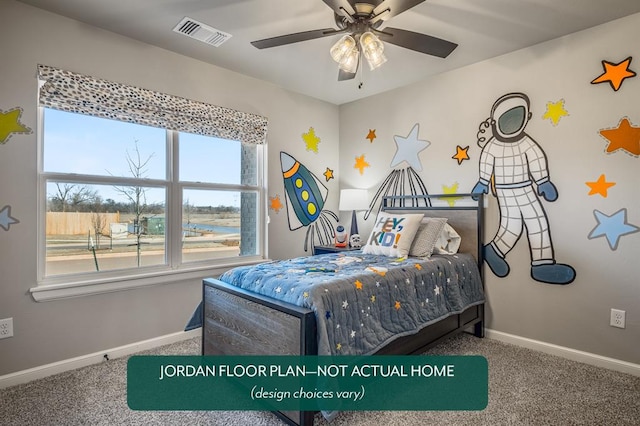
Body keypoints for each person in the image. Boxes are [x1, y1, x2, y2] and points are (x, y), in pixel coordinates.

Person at [472, 92, 575, 285]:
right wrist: (483, 182)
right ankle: (494, 251)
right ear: (495, 123)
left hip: (526, 188)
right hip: (505, 191)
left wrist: (543, 180)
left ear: (526, 118)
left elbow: (536, 160)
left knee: (538, 222)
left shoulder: (525, 142)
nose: (511, 125)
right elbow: (486, 163)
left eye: (517, 118)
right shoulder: (492, 146)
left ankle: (541, 264)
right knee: (512, 226)